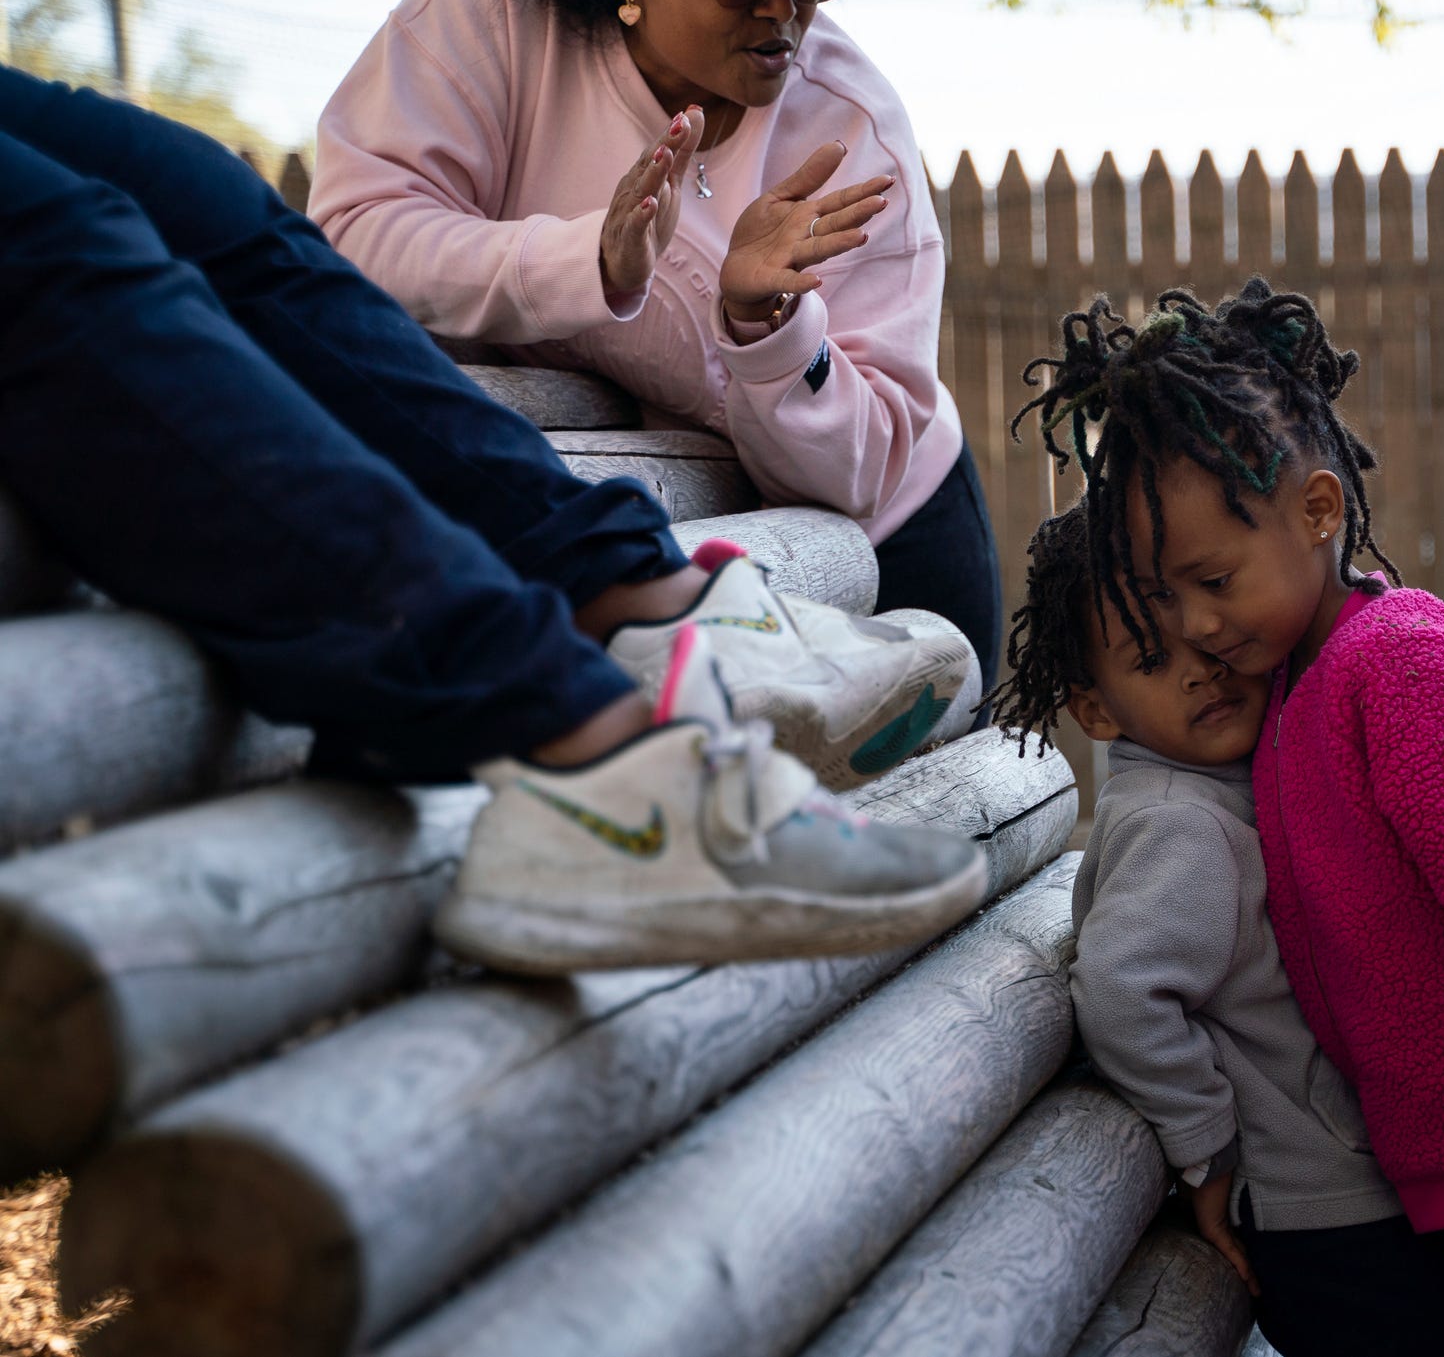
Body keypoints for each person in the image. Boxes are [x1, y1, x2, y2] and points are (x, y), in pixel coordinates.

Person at [0, 66, 985, 975]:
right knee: (53, 240)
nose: (783, 8)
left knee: (198, 194)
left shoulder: (835, 90)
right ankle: (583, 756)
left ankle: (638, 604)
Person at [1017, 280, 1444, 1357]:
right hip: (1428, 1161)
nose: (1203, 628)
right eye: (1170, 600)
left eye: (1214, 581)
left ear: (1319, 509)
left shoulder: (1396, 662)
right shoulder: (1291, 688)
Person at [309, 0, 1003, 705]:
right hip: (651, 548)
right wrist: (587, 259)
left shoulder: (851, 127)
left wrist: (768, 328)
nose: (785, 9)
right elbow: (353, 233)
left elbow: (870, 470)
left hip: (889, 555)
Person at [992, 504, 1444, 1357]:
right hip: (1324, 1208)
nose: (1198, 674)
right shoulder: (1183, 823)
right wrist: (1206, 1150)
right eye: (1151, 658)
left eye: (1209, 645)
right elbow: (1118, 990)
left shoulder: (1217, 790)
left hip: (1339, 1196)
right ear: (1096, 712)